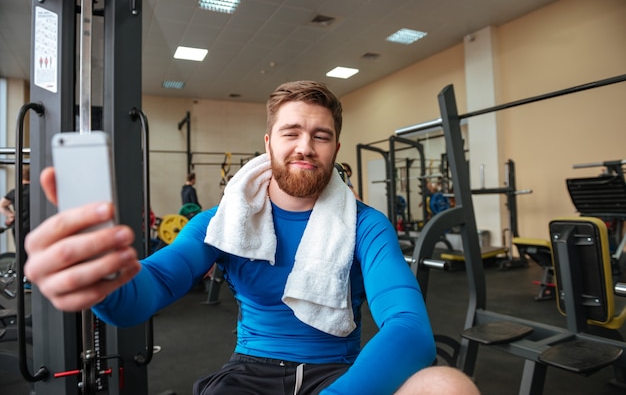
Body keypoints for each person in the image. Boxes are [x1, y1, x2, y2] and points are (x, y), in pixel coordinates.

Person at [24, 81, 479, 394]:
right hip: (251, 372)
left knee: (449, 385)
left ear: (335, 149)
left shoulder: (366, 224)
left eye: (321, 136)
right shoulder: (221, 223)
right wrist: (105, 281)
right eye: (291, 132)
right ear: (268, 143)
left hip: (337, 373)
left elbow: (409, 330)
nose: (305, 146)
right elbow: (147, 292)